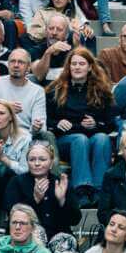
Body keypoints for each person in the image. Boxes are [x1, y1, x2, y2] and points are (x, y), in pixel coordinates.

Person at [46, 47, 116, 207]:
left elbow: (110, 123)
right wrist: (57, 124)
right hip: (65, 141)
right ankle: (82, 190)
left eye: (82, 64)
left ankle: (99, 192)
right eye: (74, 64)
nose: (77, 67)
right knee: (80, 139)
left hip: (93, 138)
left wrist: (96, 124)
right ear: (68, 66)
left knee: (102, 138)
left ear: (90, 67)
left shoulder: (101, 91)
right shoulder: (56, 89)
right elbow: (45, 119)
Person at [2, 141, 80, 240]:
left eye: (42, 159)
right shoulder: (16, 182)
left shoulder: (61, 183)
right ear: (27, 162)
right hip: (27, 238)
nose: (37, 163)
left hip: (57, 237)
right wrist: (35, 199)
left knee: (66, 242)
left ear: (51, 163)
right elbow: (13, 215)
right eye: (32, 160)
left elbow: (75, 220)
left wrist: (62, 200)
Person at [0, 47, 48, 134]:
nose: (16, 65)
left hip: (26, 135)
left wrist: (35, 128)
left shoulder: (37, 91)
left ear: (28, 67)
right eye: (12, 61)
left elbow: (42, 126)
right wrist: (6, 110)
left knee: (48, 136)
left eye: (21, 62)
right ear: (8, 64)